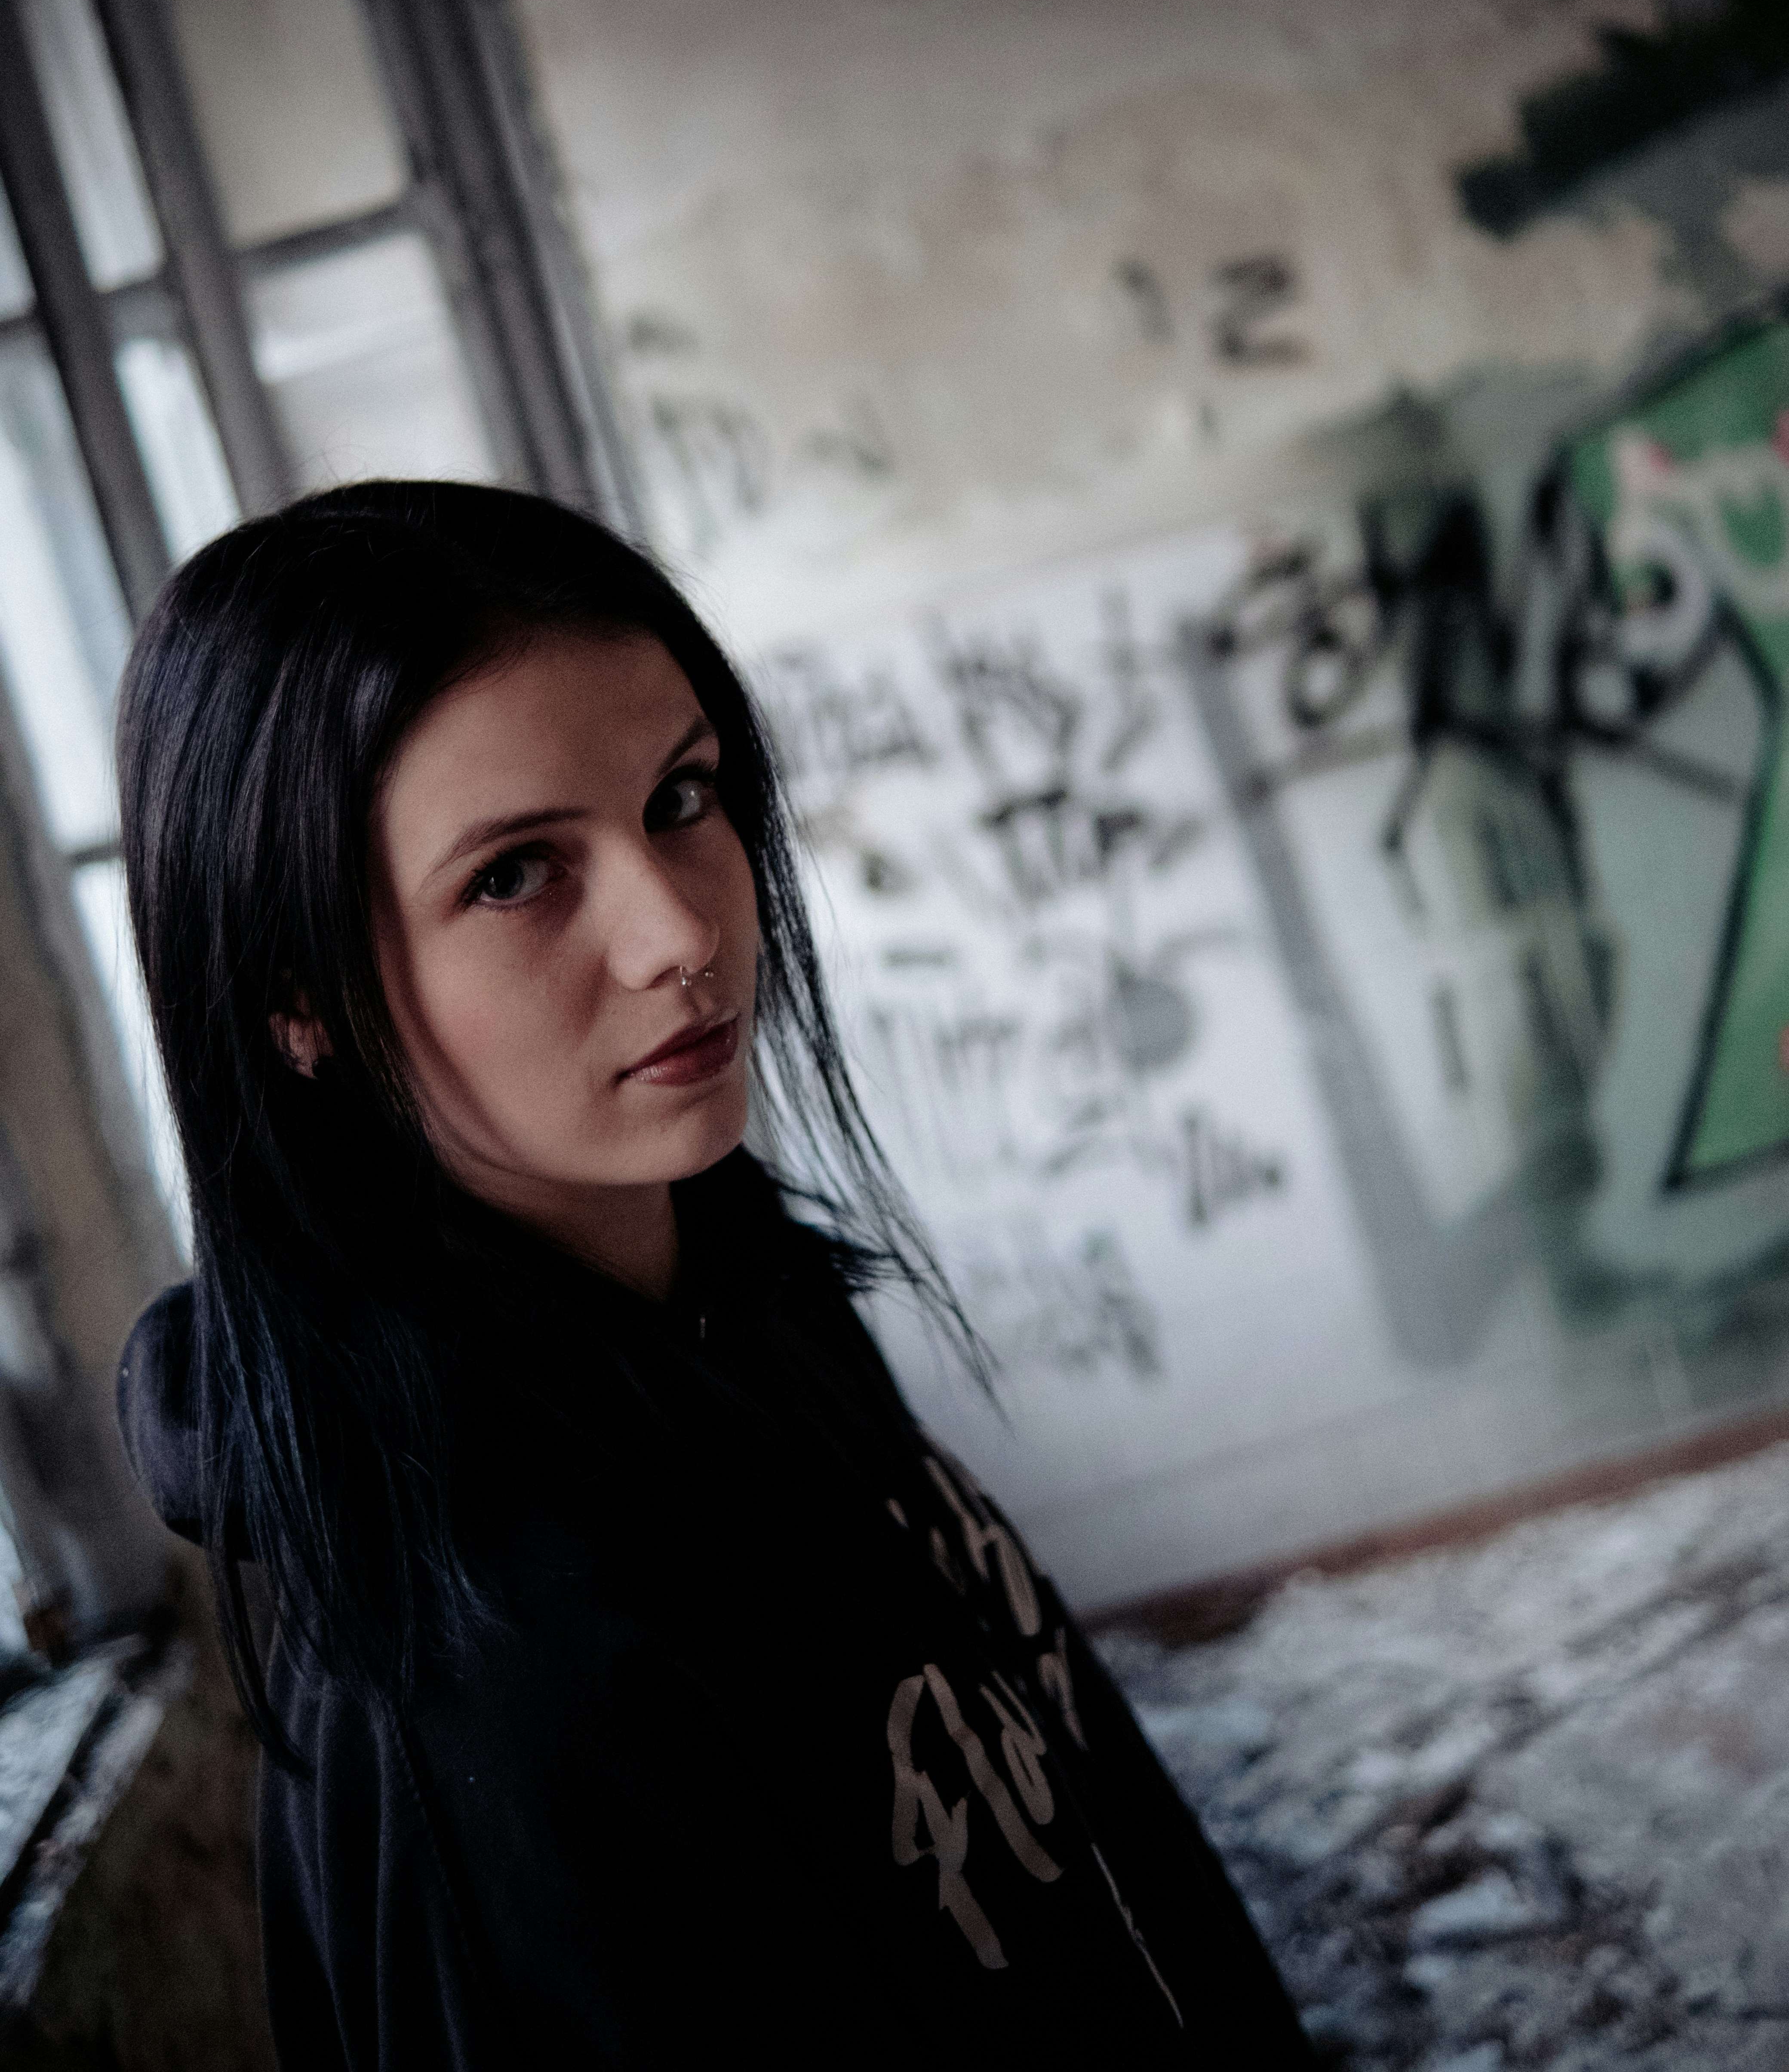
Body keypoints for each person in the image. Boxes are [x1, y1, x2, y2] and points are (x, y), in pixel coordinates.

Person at [114, 480, 1312, 2069]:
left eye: (682, 796)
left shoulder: (744, 1296)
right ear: (297, 997)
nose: (679, 930)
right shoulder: (492, 1683)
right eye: (514, 875)